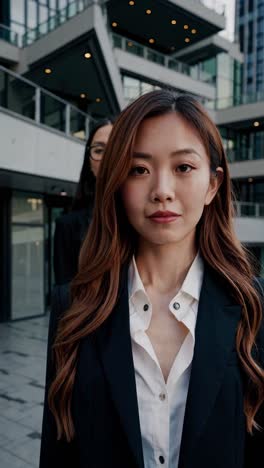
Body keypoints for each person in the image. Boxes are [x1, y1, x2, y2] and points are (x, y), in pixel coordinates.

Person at [40, 90, 264, 468]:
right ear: (117, 184)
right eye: (138, 169)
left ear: (213, 185)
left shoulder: (251, 303)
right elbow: (59, 451)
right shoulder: (74, 307)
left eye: (183, 168)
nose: (161, 191)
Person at [53, 117, 114, 284]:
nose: (107, 158)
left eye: (115, 148)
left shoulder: (148, 218)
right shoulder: (67, 227)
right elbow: (65, 300)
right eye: (99, 150)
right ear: (89, 162)